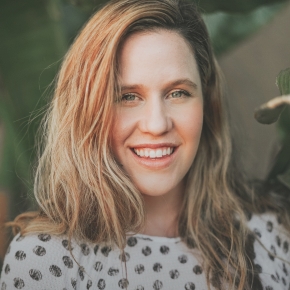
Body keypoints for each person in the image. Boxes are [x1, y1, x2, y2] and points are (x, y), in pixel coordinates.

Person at [1, 0, 290, 289]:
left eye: (177, 93)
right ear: (87, 111)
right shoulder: (44, 261)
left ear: (207, 102)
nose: (156, 124)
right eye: (128, 96)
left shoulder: (271, 237)